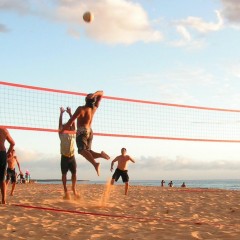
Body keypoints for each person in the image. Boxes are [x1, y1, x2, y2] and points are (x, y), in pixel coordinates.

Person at [62, 91, 110, 176]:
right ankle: (101, 155)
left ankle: (95, 164)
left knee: (82, 151)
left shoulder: (81, 109)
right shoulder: (94, 108)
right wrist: (94, 95)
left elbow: (71, 121)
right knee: (88, 152)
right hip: (90, 131)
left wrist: (63, 130)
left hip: (82, 131)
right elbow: (101, 93)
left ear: (85, 99)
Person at [59, 107, 79, 200]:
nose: (69, 125)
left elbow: (73, 123)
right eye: (67, 125)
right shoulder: (61, 133)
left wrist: (70, 113)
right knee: (64, 175)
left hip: (72, 157)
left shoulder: (72, 133)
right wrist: (61, 114)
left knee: (74, 174)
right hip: (64, 157)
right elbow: (60, 125)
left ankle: (74, 189)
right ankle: (66, 191)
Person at [0, 127, 15, 204]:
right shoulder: (4, 130)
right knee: (2, 179)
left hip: (2, 154)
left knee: (3, 179)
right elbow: (13, 143)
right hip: (2, 154)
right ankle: (3, 200)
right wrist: (8, 153)